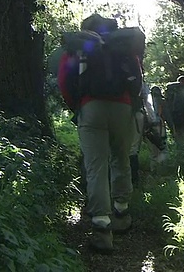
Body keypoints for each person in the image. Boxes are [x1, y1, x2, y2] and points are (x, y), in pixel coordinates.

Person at [57, 14, 141, 253]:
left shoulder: (80, 46)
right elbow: (138, 80)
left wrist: (78, 105)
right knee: (121, 158)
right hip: (123, 108)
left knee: (96, 166)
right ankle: (122, 214)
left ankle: (102, 228)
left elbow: (64, 80)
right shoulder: (124, 46)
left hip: (90, 107)